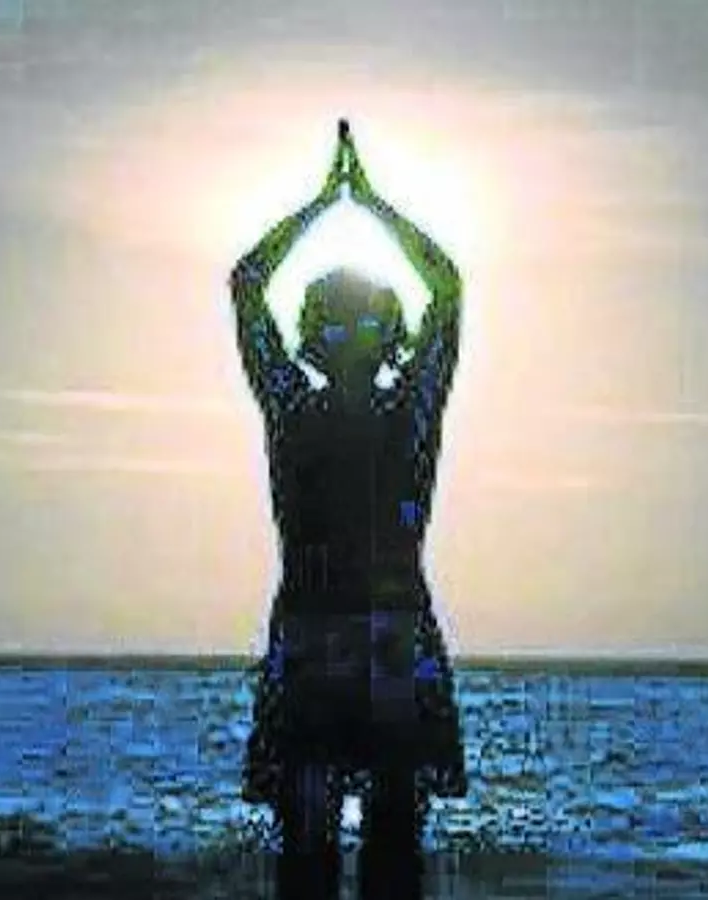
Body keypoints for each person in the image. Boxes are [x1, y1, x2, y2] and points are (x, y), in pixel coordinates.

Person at [232, 121, 468, 900]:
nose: (351, 339)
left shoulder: (400, 409)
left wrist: (358, 202)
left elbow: (448, 289)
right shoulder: (303, 407)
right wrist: (336, 202)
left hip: (373, 634)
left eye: (361, 324)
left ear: (386, 335)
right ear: (315, 337)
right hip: (336, 634)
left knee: (384, 839)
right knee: (317, 842)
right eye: (337, 324)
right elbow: (245, 284)